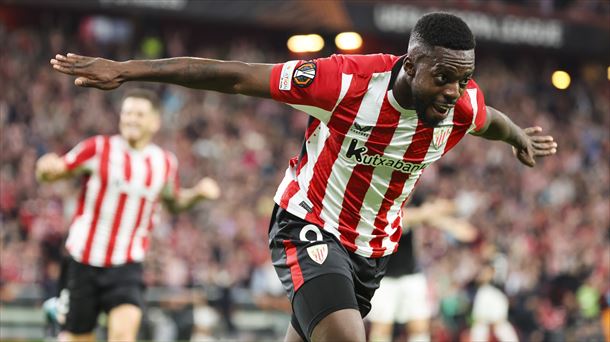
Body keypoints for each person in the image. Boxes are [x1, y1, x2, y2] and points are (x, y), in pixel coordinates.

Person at [49, 12, 557, 342]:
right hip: (308, 222)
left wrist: (519, 139)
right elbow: (234, 74)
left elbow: (493, 121)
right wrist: (128, 70)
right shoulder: (346, 82)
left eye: (462, 79)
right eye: (442, 77)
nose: (453, 91)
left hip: (372, 250)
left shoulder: (461, 106)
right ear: (410, 64)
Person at [35, 88, 221, 342]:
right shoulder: (98, 148)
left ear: (155, 122)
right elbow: (55, 171)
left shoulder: (164, 163)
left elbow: (174, 203)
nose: (132, 119)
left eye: (139, 114)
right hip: (83, 260)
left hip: (126, 264)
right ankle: (60, 315)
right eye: (128, 113)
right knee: (78, 338)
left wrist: (198, 194)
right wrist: (45, 168)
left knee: (123, 336)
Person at [368, 197, 478, 342]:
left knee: (419, 327)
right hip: (384, 278)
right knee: (381, 329)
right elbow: (415, 216)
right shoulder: (382, 206)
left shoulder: (416, 205)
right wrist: (443, 217)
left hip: (411, 275)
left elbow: (426, 215)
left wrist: (447, 221)